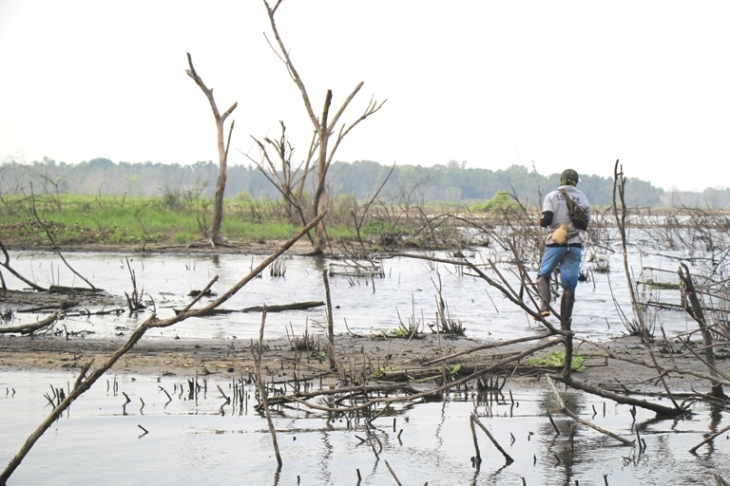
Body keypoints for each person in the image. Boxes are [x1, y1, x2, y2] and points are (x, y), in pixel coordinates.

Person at [536, 168, 591, 323]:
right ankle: (565, 324)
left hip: (555, 245)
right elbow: (585, 222)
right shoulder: (582, 198)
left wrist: (541, 222)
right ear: (575, 182)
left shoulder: (552, 196)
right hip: (574, 246)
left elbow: (547, 219)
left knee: (543, 274)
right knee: (569, 286)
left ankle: (544, 307)